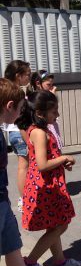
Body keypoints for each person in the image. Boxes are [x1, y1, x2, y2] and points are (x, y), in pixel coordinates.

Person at [0, 79, 61, 266]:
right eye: (19, 109)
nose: (20, 114)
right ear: (10, 106)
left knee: (13, 247)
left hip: (2, 199)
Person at [16, 91, 81, 266]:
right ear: (40, 113)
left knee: (54, 225)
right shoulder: (39, 132)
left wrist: (60, 162)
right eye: (54, 111)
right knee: (61, 224)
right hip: (45, 187)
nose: (57, 114)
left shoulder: (38, 129)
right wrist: (64, 158)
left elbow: (46, 159)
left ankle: (59, 261)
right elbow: (42, 164)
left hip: (48, 184)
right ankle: (30, 262)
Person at [2, 60, 31, 212]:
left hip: (15, 133)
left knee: (23, 166)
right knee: (24, 166)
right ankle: (24, 199)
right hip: (19, 132)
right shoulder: (16, 93)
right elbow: (20, 120)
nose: (29, 77)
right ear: (18, 75)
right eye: (27, 74)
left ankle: (24, 198)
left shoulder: (11, 91)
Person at [30, 70, 62, 151]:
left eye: (52, 84)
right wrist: (52, 97)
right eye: (48, 85)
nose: (53, 87)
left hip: (51, 129)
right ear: (38, 84)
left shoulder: (49, 97)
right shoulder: (35, 100)